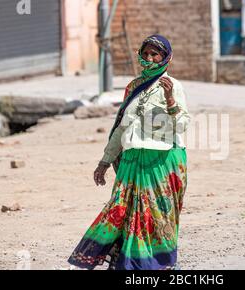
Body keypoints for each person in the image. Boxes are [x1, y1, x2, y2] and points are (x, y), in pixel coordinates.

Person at [67, 35, 190, 270]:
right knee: (122, 210)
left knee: (157, 215)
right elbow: (122, 126)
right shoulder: (133, 87)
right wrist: (105, 161)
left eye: (155, 54)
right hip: (132, 161)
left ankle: (160, 265)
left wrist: (170, 99)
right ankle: (129, 264)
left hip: (162, 163)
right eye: (146, 54)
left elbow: (182, 125)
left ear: (167, 58)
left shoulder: (173, 86)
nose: (149, 59)